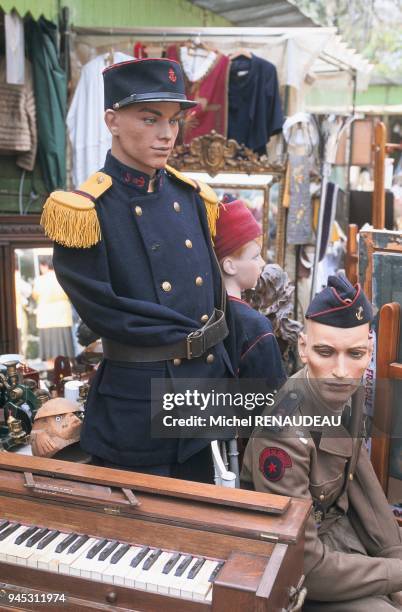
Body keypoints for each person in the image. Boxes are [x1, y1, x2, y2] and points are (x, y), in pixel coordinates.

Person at [40, 58, 234, 481]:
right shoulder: (85, 210)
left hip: (201, 393)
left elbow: (211, 296)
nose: (166, 134)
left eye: (173, 120)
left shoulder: (191, 195)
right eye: (150, 119)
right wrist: (191, 341)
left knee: (198, 529)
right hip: (139, 404)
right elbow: (105, 313)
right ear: (112, 120)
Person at [241, 274, 402, 611]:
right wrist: (395, 574)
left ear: (369, 350)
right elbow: (305, 565)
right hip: (294, 566)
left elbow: (359, 475)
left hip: (338, 534)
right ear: (303, 348)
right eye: (325, 352)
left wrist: (395, 555)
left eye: (356, 353)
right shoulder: (282, 432)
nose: (340, 370)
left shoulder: (347, 388)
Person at [214, 199, 286, 390]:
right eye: (255, 256)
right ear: (229, 266)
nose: (262, 263)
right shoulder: (254, 326)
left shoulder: (204, 310)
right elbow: (272, 401)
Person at [32, 256, 74, 364]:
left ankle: (51, 374)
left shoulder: (40, 280)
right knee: (65, 352)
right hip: (63, 317)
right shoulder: (63, 278)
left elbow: (35, 296)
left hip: (46, 318)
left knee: (49, 352)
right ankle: (67, 373)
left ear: (44, 266)